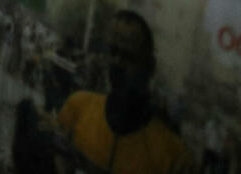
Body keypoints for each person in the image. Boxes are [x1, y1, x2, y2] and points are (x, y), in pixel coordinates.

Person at [57, 10, 191, 174]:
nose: (117, 62)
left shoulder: (172, 155)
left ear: (150, 67)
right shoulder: (78, 108)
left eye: (128, 56)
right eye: (113, 52)